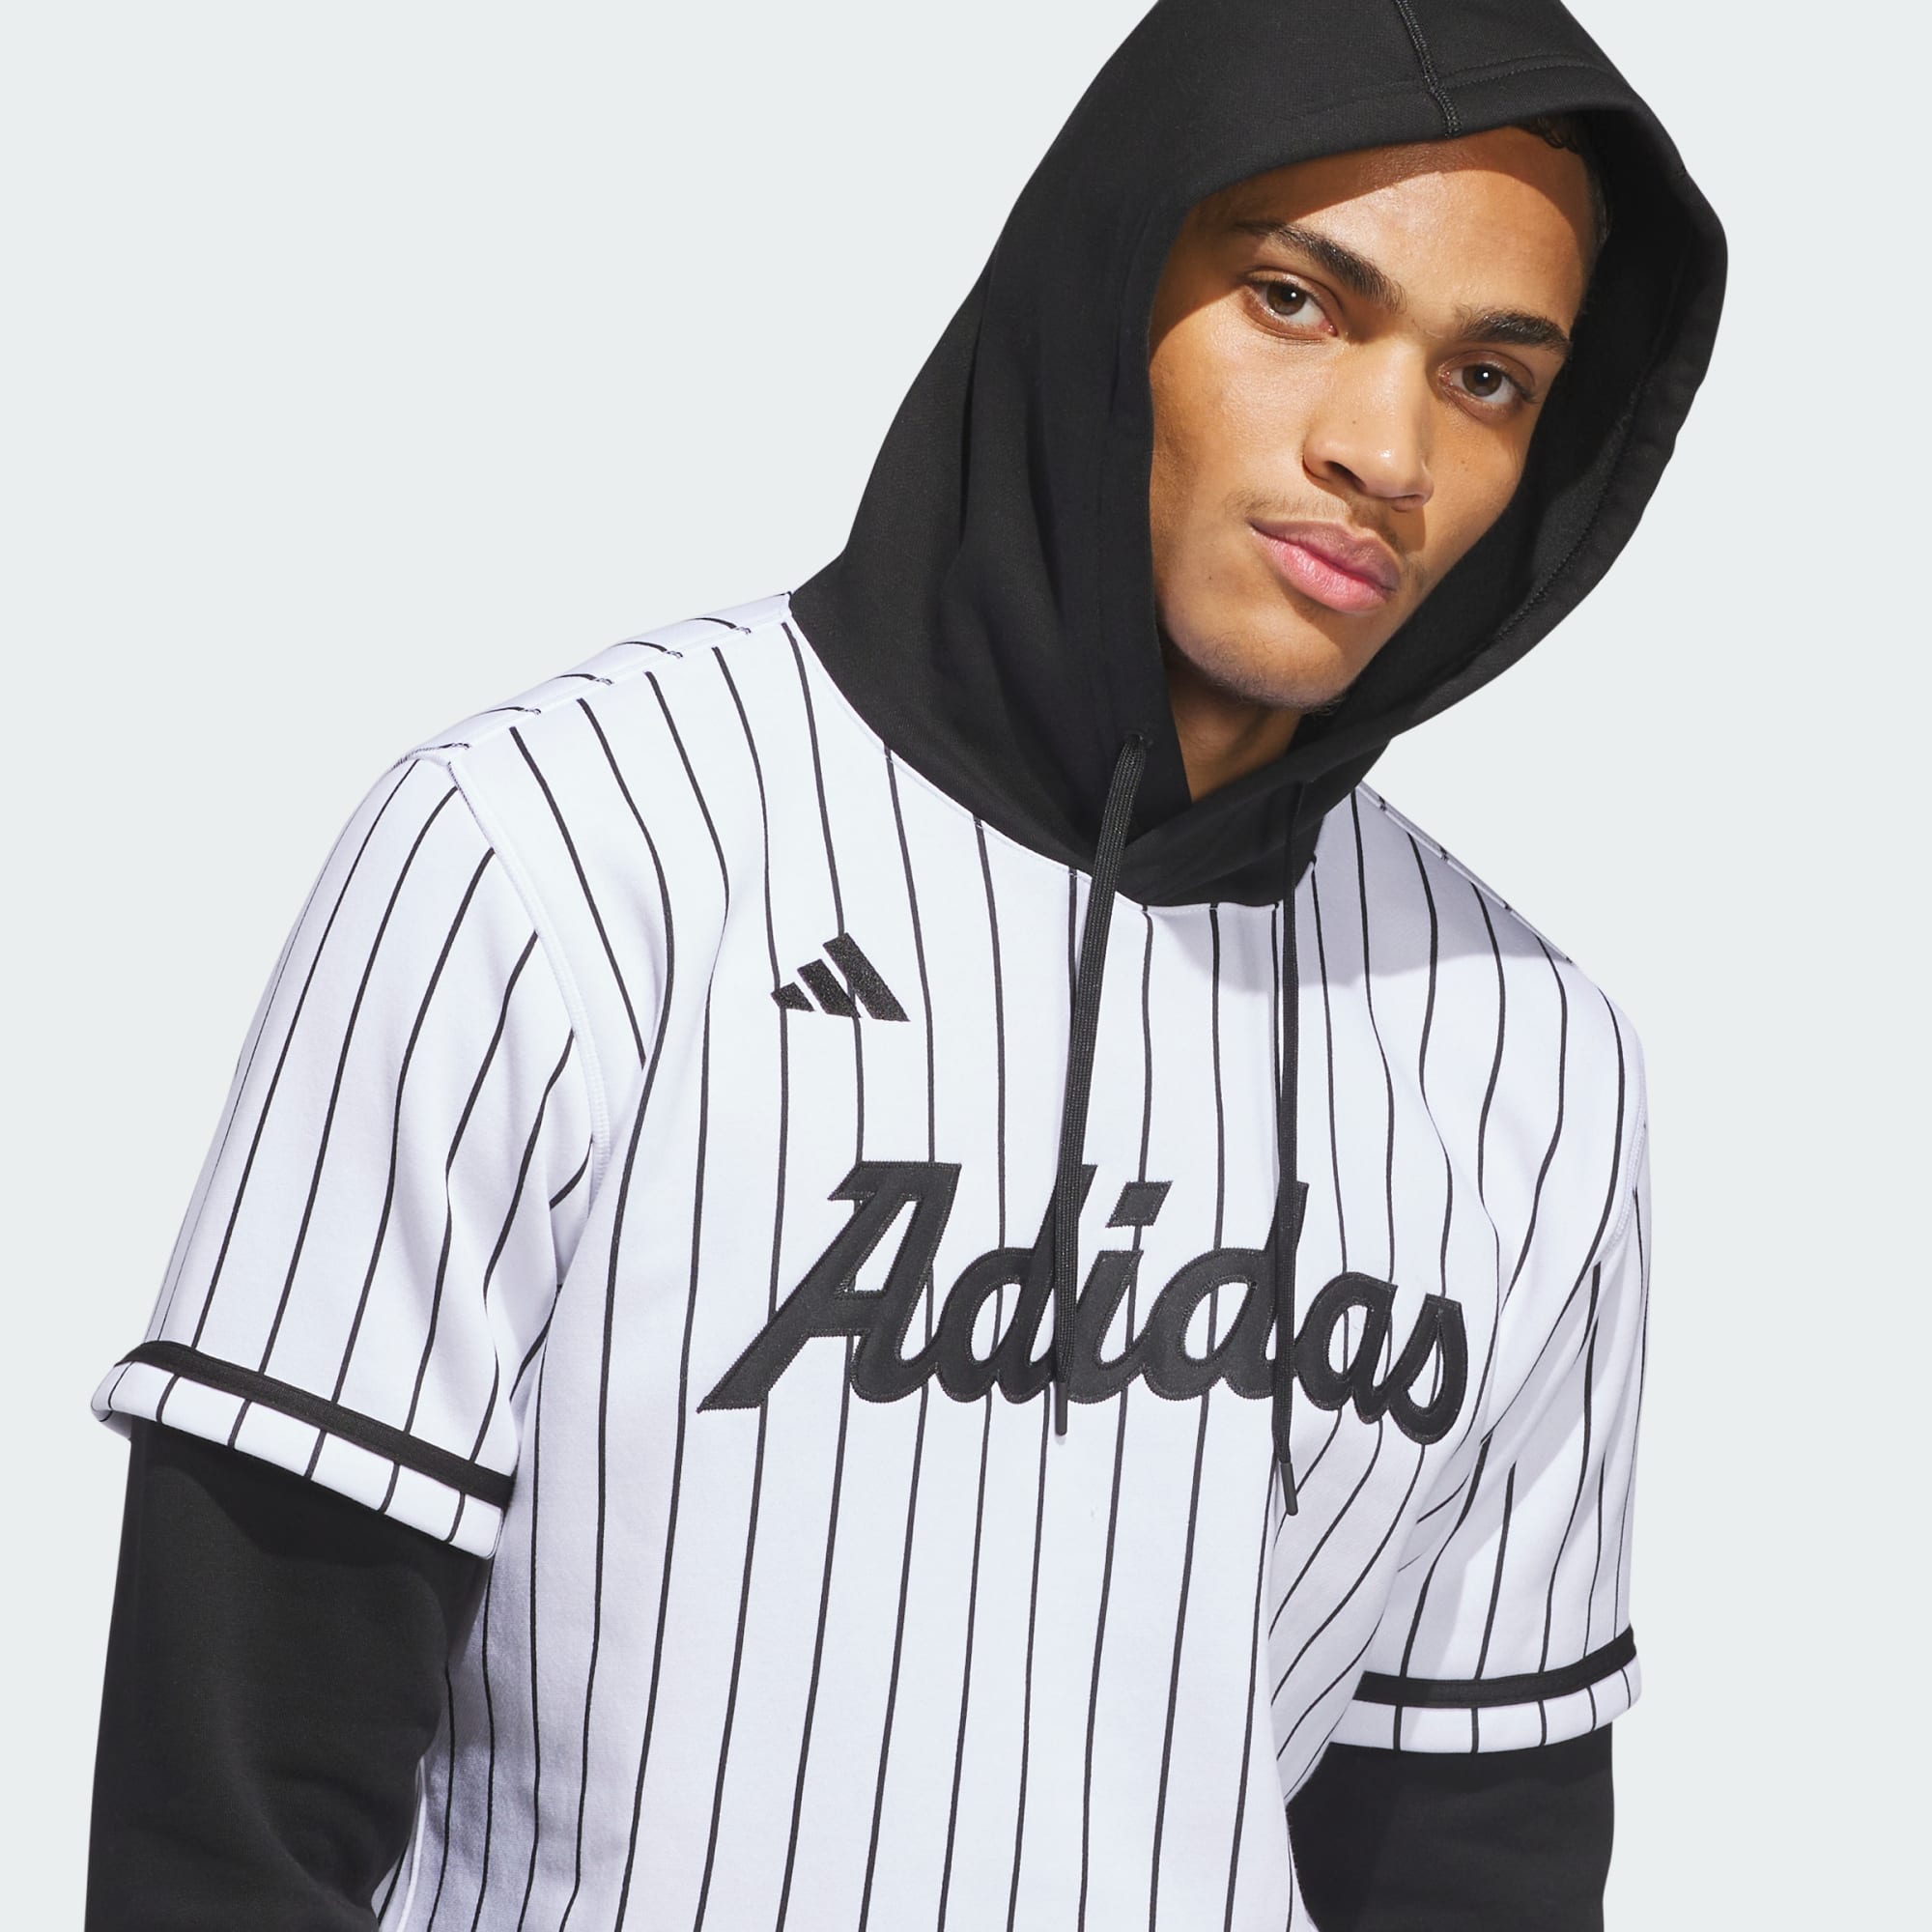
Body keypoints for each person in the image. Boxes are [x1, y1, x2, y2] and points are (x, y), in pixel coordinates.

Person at [83, 0, 1724, 1924]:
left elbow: (1469, 1860)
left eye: (1488, 377)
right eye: (1295, 300)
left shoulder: (1528, 1063)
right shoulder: (554, 860)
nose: (1386, 449)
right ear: (1106, 286)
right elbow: (235, 1808)